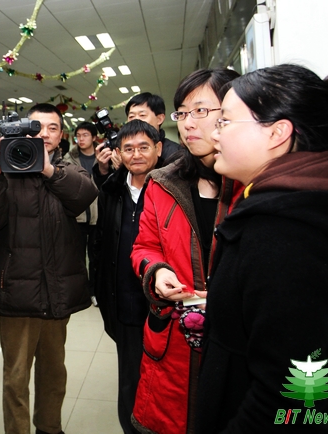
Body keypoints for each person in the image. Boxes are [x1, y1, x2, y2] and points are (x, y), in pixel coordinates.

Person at [197, 64, 328, 433]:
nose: (214, 134)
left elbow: (288, 398)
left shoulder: (282, 231)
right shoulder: (310, 202)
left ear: (277, 133)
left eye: (224, 122)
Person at [128, 68, 241, 434]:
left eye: (201, 111)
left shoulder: (255, 183)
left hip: (239, 341)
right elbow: (144, 245)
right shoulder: (164, 183)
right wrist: (157, 271)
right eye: (183, 113)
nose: (188, 123)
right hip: (177, 339)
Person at [0, 103, 98, 434]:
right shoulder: (5, 173)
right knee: (15, 377)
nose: (44, 133)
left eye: (52, 128)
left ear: (61, 135)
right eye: (37, 126)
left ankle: (50, 428)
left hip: (57, 290)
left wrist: (47, 169)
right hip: (17, 291)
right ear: (24, 130)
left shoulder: (69, 169)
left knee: (54, 372)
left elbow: (84, 194)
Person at [92, 120, 162, 434]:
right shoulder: (111, 191)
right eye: (129, 148)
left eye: (143, 147)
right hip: (123, 299)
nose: (136, 155)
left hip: (162, 303)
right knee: (130, 377)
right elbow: (99, 242)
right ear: (119, 153)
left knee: (163, 378)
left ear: (158, 149)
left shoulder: (172, 190)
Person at [64, 121, 99, 306]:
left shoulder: (103, 156)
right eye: (78, 136)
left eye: (85, 135)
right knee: (76, 257)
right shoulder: (69, 158)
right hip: (76, 215)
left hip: (97, 216)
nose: (81, 139)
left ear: (94, 137)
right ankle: (80, 291)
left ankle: (94, 290)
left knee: (96, 257)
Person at [125, 92, 181, 161]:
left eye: (142, 115)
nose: (136, 121)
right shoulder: (123, 151)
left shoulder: (176, 154)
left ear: (159, 119)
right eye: (131, 116)